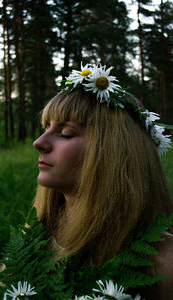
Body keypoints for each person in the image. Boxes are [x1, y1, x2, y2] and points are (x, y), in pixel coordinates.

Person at [33, 63, 173, 299]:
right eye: (46, 127)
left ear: (111, 152)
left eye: (66, 133)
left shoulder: (163, 264)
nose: (39, 142)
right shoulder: (36, 238)